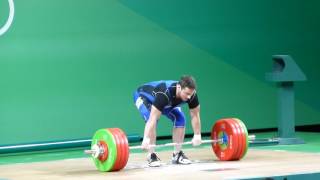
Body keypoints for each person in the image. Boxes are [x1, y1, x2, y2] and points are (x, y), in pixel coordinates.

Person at [133, 75, 202, 167]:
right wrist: (146, 138)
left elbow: (195, 115)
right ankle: (151, 155)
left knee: (180, 119)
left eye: (191, 94)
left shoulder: (191, 95)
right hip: (144, 97)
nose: (189, 97)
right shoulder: (164, 93)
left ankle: (177, 154)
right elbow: (152, 119)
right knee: (152, 118)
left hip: (166, 103)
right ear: (179, 87)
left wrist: (197, 135)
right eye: (186, 93)